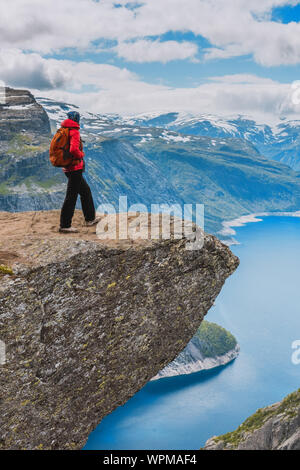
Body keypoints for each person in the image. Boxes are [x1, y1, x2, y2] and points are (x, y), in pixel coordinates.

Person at [59, 111, 100, 233]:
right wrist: (81, 154)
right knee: (71, 197)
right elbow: (73, 149)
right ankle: (65, 225)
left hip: (68, 168)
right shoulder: (74, 131)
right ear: (76, 119)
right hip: (75, 169)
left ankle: (90, 218)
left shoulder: (63, 130)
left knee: (85, 192)